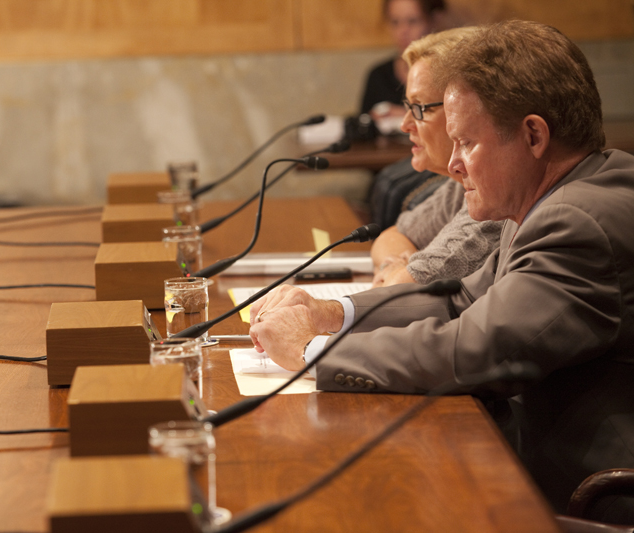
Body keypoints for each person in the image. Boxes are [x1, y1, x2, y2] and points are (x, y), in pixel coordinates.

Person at [250, 20, 634, 521]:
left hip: (577, 496)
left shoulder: (576, 218)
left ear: (534, 135)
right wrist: (327, 312)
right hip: (520, 462)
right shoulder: (558, 200)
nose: (452, 166)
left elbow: (477, 348)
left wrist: (311, 351)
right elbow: (458, 299)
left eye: (467, 143)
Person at [370, 27, 502, 287]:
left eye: (419, 108)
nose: (405, 125)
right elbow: (390, 236)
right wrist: (393, 265)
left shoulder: (494, 201)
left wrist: (402, 272)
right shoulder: (457, 186)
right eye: (408, 107)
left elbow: (399, 290)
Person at [355, 0, 445, 136]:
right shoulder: (378, 75)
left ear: (433, 20)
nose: (403, 31)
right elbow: (362, 127)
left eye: (413, 21)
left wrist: (406, 114)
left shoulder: (445, 73)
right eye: (395, 22)